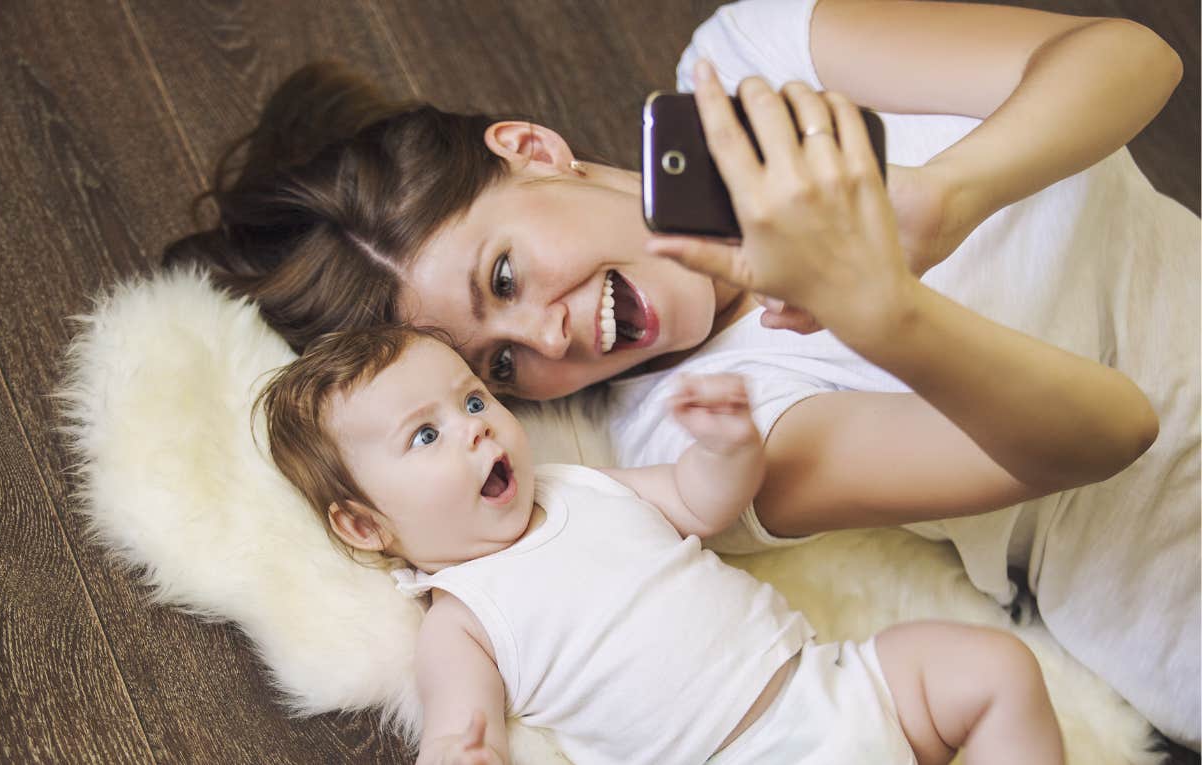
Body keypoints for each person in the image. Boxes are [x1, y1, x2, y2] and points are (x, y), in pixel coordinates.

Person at [164, 0, 1200, 748]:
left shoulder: (746, 67)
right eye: (501, 363)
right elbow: (1106, 434)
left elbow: (1129, 56)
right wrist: (879, 310)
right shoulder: (699, 432)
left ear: (530, 148)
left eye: (507, 273)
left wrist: (942, 200)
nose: (550, 338)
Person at [257, 324, 1065, 765]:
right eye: (426, 433)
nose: (474, 428)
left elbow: (698, 501)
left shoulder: (582, 485)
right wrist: (461, 749)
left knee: (994, 667)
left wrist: (727, 449)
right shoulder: (462, 618)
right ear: (368, 525)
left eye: (472, 399)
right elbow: (458, 723)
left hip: (837, 687)